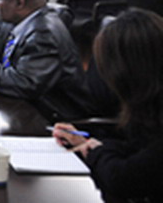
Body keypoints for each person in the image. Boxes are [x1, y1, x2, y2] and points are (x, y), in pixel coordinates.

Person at [53, 10, 163, 202]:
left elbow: (122, 180)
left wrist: (96, 152)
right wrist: (90, 143)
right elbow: (141, 149)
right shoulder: (150, 104)